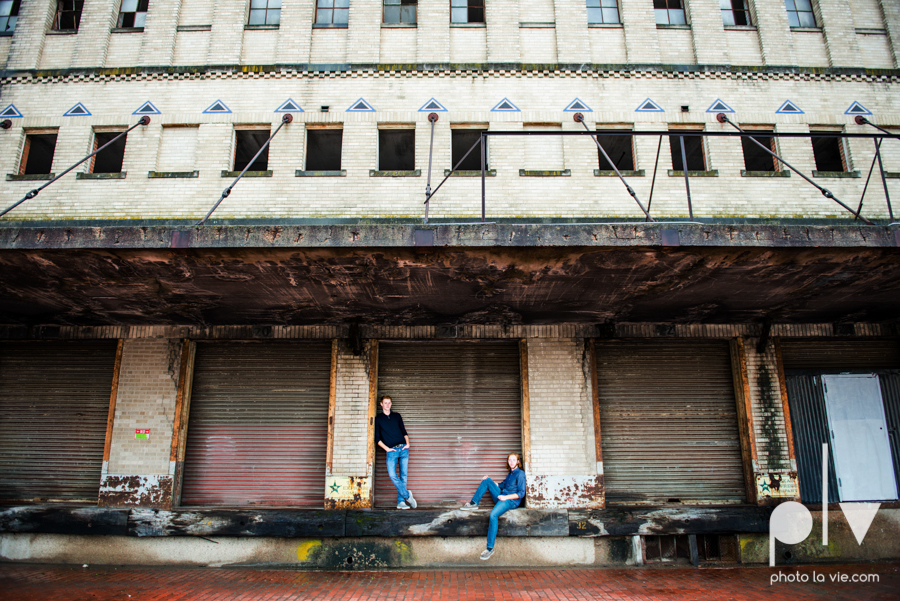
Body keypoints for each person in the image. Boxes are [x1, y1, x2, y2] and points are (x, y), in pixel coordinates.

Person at [461, 452, 526, 560]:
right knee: (486, 480)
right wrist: (490, 481)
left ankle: (490, 548)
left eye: (514, 460)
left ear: (518, 462)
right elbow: (501, 485)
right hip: (502, 497)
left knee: (493, 515)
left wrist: (506, 497)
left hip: (510, 501)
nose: (511, 462)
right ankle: (474, 503)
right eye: (509, 460)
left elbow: (521, 493)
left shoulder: (520, 474)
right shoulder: (510, 474)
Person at [374, 395, 417, 510]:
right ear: (381, 404)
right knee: (392, 475)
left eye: (389, 403)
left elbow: (404, 431)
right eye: (385, 403)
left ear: (391, 404)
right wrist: (387, 449)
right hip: (391, 451)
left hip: (403, 449)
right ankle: (407, 495)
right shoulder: (378, 419)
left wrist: (408, 444)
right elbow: (377, 438)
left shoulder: (397, 416)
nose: (387, 405)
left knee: (403, 476)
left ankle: (401, 502)